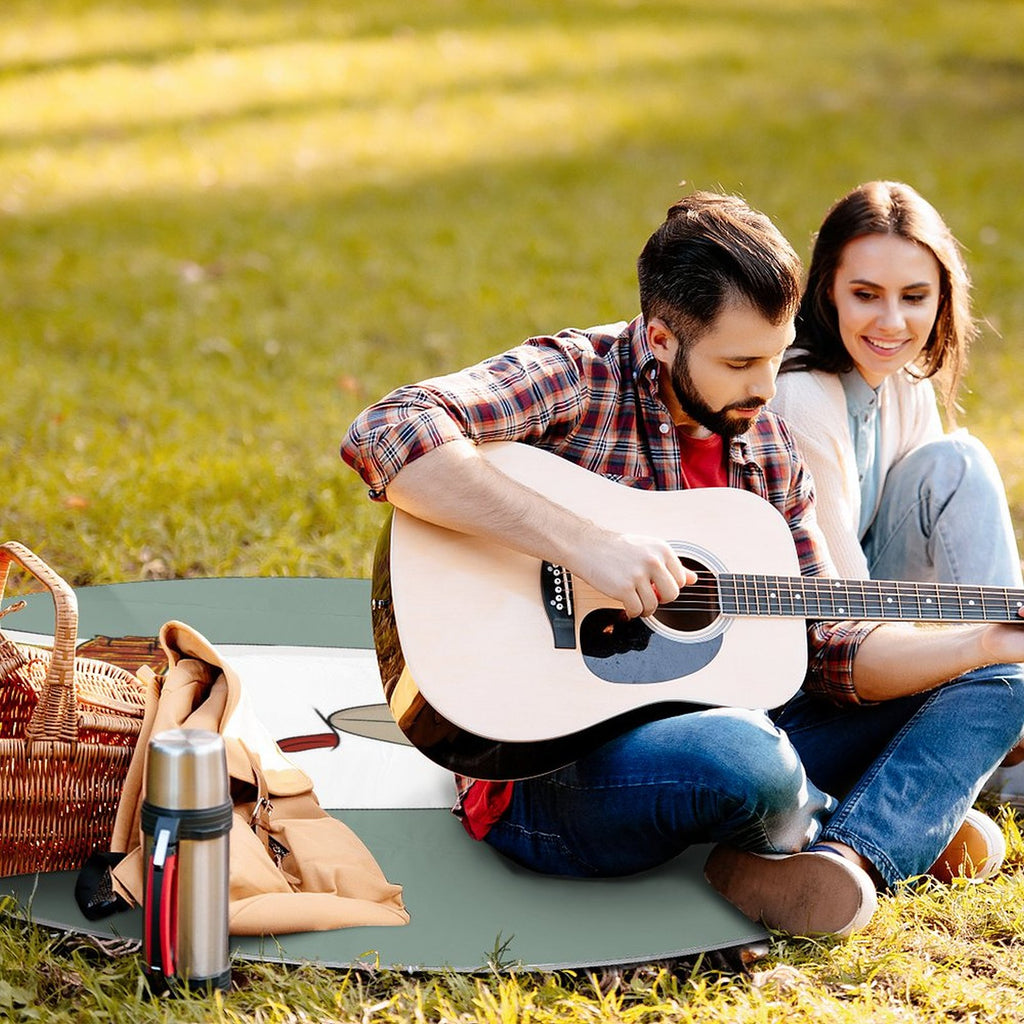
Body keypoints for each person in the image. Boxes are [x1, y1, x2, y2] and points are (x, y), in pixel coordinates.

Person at [341, 191, 1024, 939]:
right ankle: (882, 817)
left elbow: (831, 645)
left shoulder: (765, 444)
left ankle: (851, 858)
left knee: (1004, 681)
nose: (766, 389)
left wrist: (980, 643)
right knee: (746, 760)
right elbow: (389, 430)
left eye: (776, 353)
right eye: (739, 363)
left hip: (742, 725)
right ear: (662, 338)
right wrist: (583, 544)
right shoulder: (577, 376)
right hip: (550, 773)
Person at [771, 180, 1024, 804]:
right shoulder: (802, 395)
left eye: (915, 297)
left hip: (876, 632)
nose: (892, 322)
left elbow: (939, 568)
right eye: (866, 295)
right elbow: (842, 621)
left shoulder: (902, 378)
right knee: (959, 462)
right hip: (811, 667)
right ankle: (1002, 748)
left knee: (953, 462)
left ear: (942, 298)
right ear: (827, 288)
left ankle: (1000, 721)